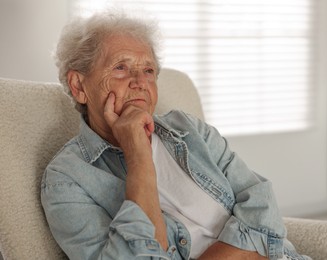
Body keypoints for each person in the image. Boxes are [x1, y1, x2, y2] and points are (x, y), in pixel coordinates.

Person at [41, 11, 311, 260]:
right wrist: (138, 156)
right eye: (121, 68)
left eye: (148, 71)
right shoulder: (66, 180)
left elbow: (262, 204)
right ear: (79, 86)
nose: (139, 82)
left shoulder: (188, 129)